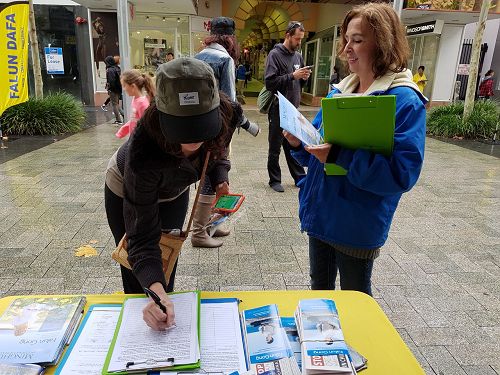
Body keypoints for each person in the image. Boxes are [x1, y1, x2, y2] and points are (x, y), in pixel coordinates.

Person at [284, 2, 426, 295]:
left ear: (383, 44)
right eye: (346, 39)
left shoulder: (404, 100)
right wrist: (300, 143)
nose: (347, 48)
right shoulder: (341, 91)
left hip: (356, 225)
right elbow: (319, 149)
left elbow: (402, 174)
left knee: (356, 302)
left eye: (358, 40)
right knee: (319, 296)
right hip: (321, 215)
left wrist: (338, 156)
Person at [104, 58, 250, 330]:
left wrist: (221, 182)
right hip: (126, 188)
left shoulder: (227, 112)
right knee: (136, 269)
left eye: (201, 128)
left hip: (175, 189)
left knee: (167, 258)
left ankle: (164, 302)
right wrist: (154, 293)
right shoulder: (143, 149)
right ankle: (145, 318)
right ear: (162, 116)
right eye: (182, 131)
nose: (193, 141)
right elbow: (142, 238)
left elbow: (217, 152)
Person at [194, 17, 260, 247]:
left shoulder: (197, 57)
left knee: (211, 175)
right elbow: (230, 103)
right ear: (231, 38)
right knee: (214, 177)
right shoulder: (225, 60)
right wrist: (248, 126)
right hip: (218, 128)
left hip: (196, 128)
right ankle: (199, 233)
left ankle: (213, 224)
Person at [264, 21, 309, 193]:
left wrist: (304, 77)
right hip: (278, 108)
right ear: (288, 35)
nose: (299, 43)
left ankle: (299, 177)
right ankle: (274, 180)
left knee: (293, 143)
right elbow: (270, 83)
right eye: (297, 39)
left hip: (293, 108)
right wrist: (292, 76)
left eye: (301, 40)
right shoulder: (274, 54)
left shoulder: (298, 56)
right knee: (275, 145)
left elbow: (300, 83)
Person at [115, 70, 155, 138]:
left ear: (133, 86)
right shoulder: (135, 100)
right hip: (135, 139)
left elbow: (147, 126)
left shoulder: (143, 104)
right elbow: (134, 120)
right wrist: (122, 131)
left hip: (140, 142)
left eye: (124, 85)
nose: (124, 89)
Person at [105, 55, 124, 125]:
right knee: (116, 103)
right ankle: (123, 114)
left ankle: (118, 120)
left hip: (113, 89)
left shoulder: (110, 70)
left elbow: (111, 81)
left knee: (114, 105)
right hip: (118, 88)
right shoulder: (117, 68)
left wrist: (109, 88)